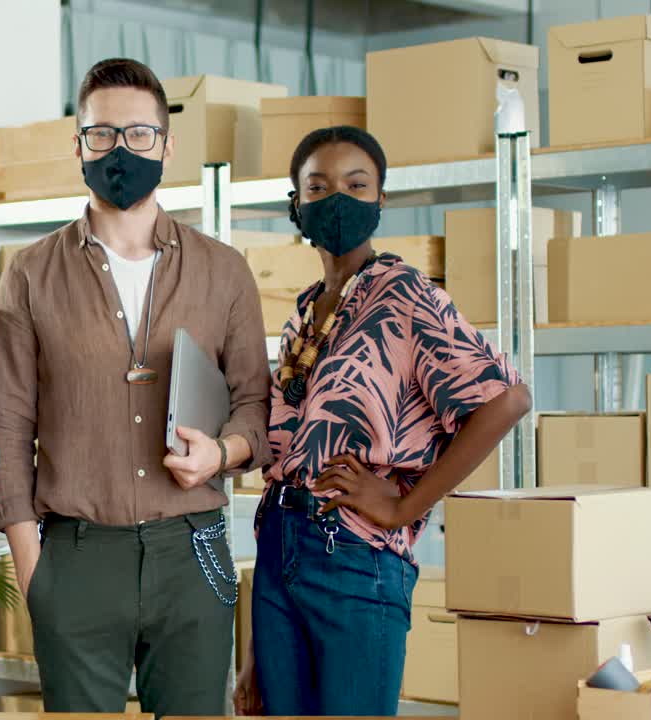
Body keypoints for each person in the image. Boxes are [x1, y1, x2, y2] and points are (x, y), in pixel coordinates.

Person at [0, 57, 271, 717]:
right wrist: (36, 575)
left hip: (192, 550)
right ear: (79, 146)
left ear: (168, 146)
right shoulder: (29, 276)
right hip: (76, 555)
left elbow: (256, 405)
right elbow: (8, 425)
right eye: (102, 134)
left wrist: (221, 454)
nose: (121, 149)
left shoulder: (224, 272)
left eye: (139, 134)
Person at [233, 126, 533, 717]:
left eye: (356, 184)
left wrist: (403, 505)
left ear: (380, 201)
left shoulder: (406, 294)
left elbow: (507, 400)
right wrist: (253, 647)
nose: (337, 198)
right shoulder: (304, 311)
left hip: (355, 556)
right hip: (277, 554)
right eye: (318, 186)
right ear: (297, 206)